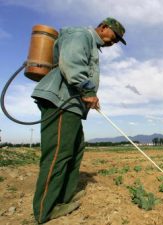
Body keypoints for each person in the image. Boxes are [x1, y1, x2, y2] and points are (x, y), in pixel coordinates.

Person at [31, 17, 126, 223]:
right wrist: (87, 89)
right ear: (103, 27)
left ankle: (64, 197)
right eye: (115, 36)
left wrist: (91, 97)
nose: (115, 41)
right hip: (61, 103)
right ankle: (44, 210)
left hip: (71, 105)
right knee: (58, 155)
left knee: (75, 150)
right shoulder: (80, 35)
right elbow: (72, 61)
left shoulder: (91, 43)